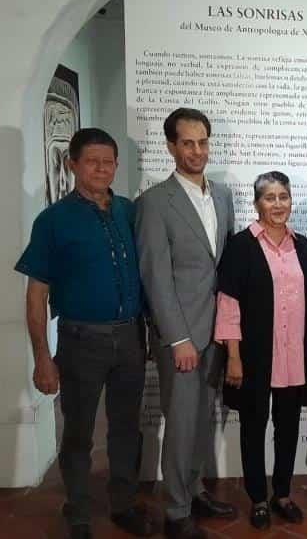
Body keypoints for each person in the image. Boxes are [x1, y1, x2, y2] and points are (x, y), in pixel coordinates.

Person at [15, 128, 155, 539]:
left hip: (131, 338)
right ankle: (77, 510)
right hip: (80, 341)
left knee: (127, 428)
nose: (101, 168)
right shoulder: (53, 221)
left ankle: (124, 503)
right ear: (72, 164)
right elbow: (36, 294)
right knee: (77, 431)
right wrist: (42, 356)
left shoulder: (130, 212)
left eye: (108, 162)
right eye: (91, 161)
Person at [135, 108, 236, 539]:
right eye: (188, 143)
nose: (197, 151)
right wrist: (178, 338)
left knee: (200, 420)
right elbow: (156, 277)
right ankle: (176, 514)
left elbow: (226, 266)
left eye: (203, 142)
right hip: (182, 338)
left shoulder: (224, 195)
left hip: (217, 332)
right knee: (180, 423)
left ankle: (194, 490)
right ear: (171, 146)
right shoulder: (154, 202)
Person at [214, 171, 307, 530]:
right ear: (257, 202)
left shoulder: (303, 245)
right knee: (252, 426)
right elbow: (228, 304)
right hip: (255, 356)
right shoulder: (241, 246)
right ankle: (258, 498)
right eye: (270, 197)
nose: (278, 204)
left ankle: (282, 493)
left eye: (283, 197)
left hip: (295, 354)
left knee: (288, 426)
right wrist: (233, 356)